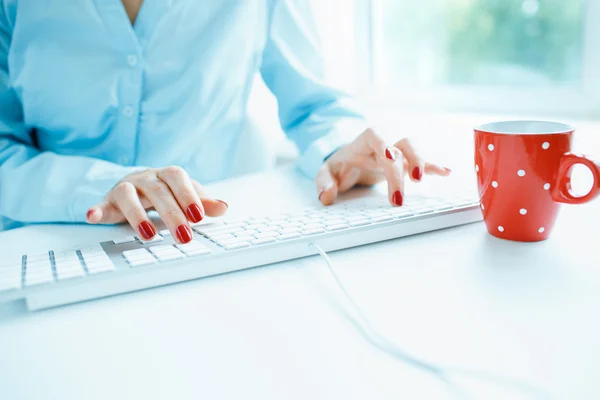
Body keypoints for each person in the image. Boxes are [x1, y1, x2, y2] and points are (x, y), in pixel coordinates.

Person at [0, 0, 449, 242]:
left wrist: (340, 152)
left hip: (210, 239)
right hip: (45, 241)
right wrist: (95, 184)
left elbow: (315, 106)